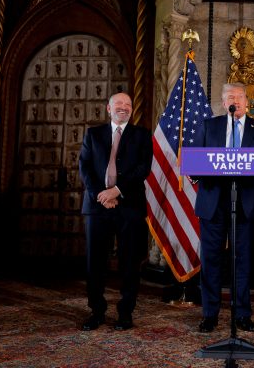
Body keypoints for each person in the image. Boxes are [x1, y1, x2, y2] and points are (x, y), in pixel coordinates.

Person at [193, 82, 254, 333]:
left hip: (244, 201)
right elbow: (196, 160)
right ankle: (209, 314)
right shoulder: (209, 125)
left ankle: (242, 314)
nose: (234, 100)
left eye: (239, 96)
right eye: (229, 97)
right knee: (211, 259)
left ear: (246, 102)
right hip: (213, 201)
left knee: (242, 260)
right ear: (224, 103)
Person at [78, 92, 152, 331]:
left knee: (129, 262)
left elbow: (143, 168)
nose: (123, 107)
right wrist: (101, 194)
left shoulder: (141, 135)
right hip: (97, 206)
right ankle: (96, 311)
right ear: (108, 108)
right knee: (95, 261)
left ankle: (125, 313)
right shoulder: (93, 134)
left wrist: (117, 191)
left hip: (129, 206)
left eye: (128, 104)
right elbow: (85, 167)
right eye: (118, 104)